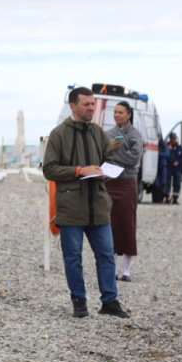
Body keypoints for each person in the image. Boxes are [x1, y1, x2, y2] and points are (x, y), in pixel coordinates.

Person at [42, 87, 130, 318]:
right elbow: (49, 169)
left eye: (93, 104)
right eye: (87, 104)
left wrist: (104, 172)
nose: (92, 108)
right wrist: (80, 171)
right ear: (73, 106)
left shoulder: (98, 133)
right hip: (71, 207)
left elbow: (108, 160)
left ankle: (109, 302)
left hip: (98, 205)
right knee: (73, 257)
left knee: (106, 254)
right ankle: (79, 301)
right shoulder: (58, 134)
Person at [106, 101, 144, 281]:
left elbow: (135, 159)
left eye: (121, 112)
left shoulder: (135, 134)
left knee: (128, 223)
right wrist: (111, 150)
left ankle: (126, 270)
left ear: (129, 115)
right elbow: (101, 155)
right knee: (111, 223)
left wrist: (113, 152)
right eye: (115, 112)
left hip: (127, 182)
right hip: (110, 182)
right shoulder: (108, 134)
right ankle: (112, 268)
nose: (117, 115)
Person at [164, 132, 182, 204]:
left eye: (175, 138)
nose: (174, 140)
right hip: (169, 166)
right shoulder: (166, 146)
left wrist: (178, 162)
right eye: (173, 138)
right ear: (170, 139)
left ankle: (175, 199)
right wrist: (172, 162)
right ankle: (167, 197)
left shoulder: (179, 147)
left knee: (177, 183)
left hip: (177, 168)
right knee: (167, 182)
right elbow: (166, 156)